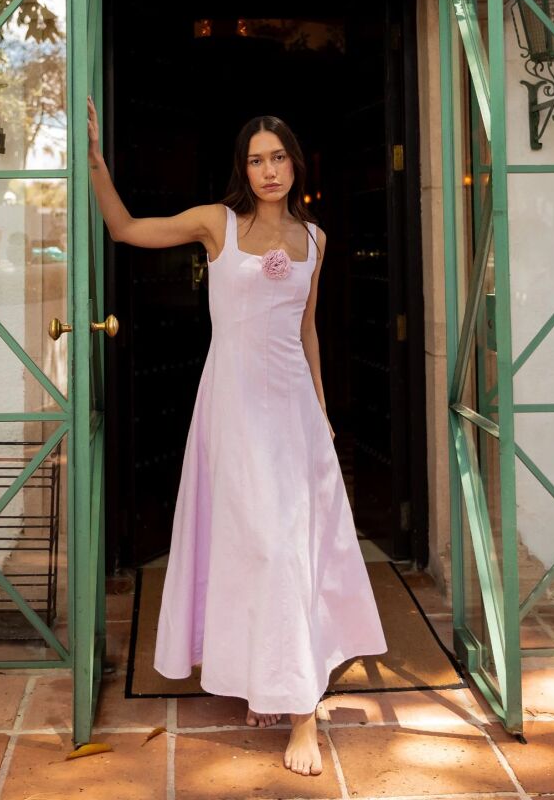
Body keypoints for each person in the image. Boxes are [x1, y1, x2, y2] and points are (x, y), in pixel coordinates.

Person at [87, 99, 387, 777]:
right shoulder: (215, 224)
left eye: (278, 156)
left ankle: (302, 710)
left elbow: (307, 329)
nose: (269, 169)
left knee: (287, 548)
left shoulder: (316, 240)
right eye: (256, 159)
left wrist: (322, 407)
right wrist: (96, 163)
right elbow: (127, 228)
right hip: (230, 410)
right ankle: (264, 679)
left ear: (294, 162)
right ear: (242, 169)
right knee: (249, 548)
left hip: (292, 417)